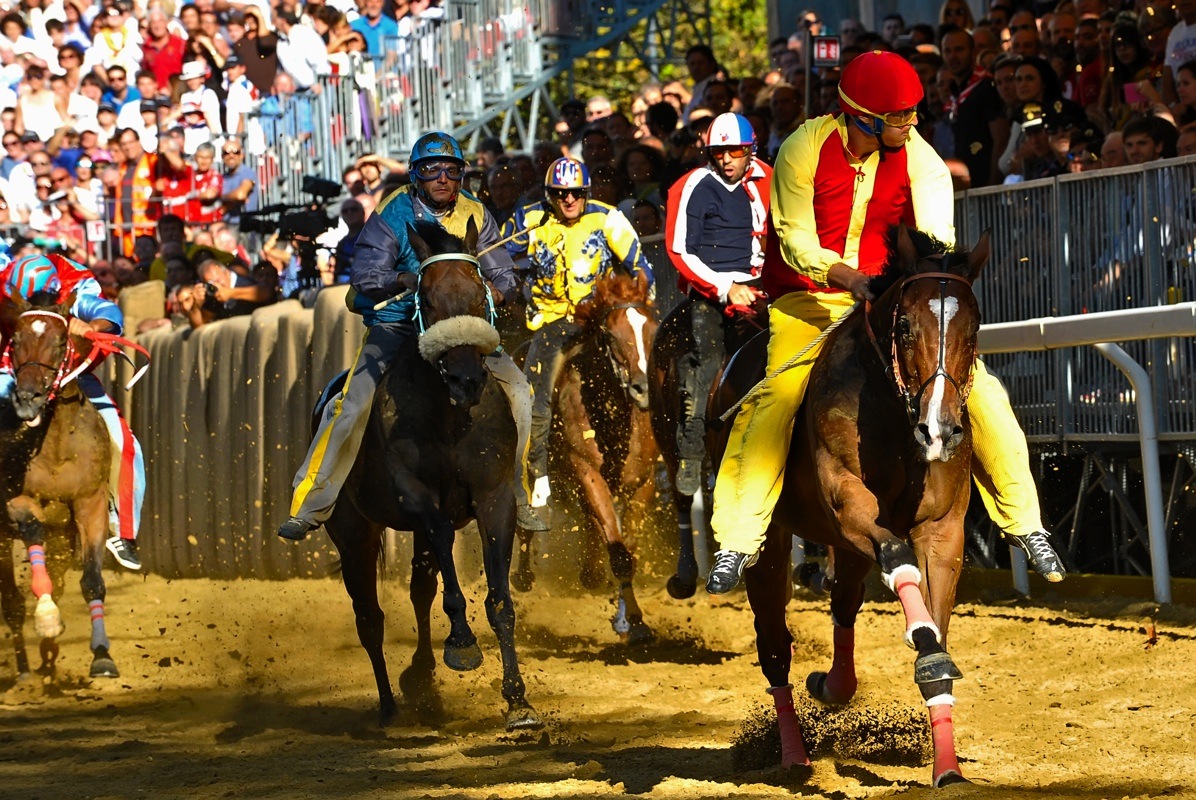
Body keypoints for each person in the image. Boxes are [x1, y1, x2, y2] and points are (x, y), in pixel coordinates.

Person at [704, 51, 1067, 594]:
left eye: (912, 114)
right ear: (862, 116)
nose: (912, 124)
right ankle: (738, 537)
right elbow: (795, 238)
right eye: (900, 117)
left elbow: (936, 239)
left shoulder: (922, 160)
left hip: (892, 305)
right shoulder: (802, 148)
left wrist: (920, 286)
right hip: (810, 302)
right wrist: (849, 278)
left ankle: (1027, 524)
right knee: (775, 396)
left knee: (983, 392)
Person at [279, 132, 548, 541]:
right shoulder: (391, 212)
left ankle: (521, 495)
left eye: (452, 170)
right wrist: (406, 278)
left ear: (462, 176)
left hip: (465, 327)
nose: (442, 177)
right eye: (431, 169)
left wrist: (497, 288)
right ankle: (312, 503)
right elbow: (366, 275)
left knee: (521, 393)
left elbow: (503, 272)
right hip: (399, 322)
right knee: (349, 406)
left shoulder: (477, 212)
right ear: (415, 175)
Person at [501, 157, 654, 510]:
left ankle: (668, 447)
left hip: (599, 319)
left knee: (647, 369)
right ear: (550, 194)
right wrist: (510, 283)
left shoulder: (608, 218)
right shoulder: (529, 219)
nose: (568, 200)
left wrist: (642, 304)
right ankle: (535, 475)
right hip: (550, 323)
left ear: (586, 193)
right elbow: (499, 257)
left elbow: (640, 267)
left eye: (575, 193)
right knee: (535, 396)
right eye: (560, 193)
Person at [0, 253, 145, 570]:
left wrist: (89, 325)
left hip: (65, 374)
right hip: (9, 368)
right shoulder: (3, 280)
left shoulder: (77, 282)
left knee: (125, 442)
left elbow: (109, 313)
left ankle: (122, 530)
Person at [663, 113, 771, 496]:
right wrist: (725, 287)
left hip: (761, 290)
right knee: (705, 359)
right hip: (710, 291)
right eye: (718, 152)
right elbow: (679, 249)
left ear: (750, 150)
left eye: (735, 151)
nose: (727, 160)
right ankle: (691, 449)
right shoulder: (692, 184)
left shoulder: (769, 179)